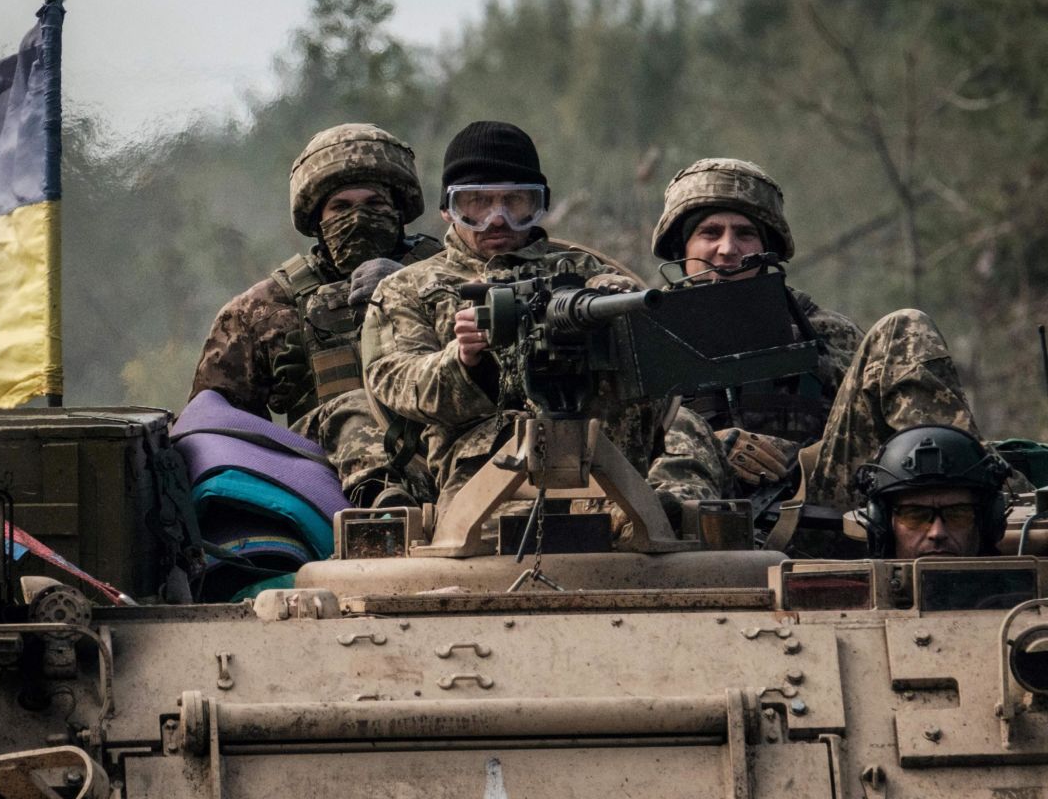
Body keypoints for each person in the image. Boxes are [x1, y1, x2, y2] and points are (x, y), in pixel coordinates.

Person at [363, 121, 725, 532]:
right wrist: (464, 362)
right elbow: (396, 382)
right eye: (477, 204)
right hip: (484, 481)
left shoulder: (587, 273)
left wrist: (608, 312)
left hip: (607, 466)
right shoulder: (408, 288)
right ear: (448, 208)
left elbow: (655, 377)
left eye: (515, 202)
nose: (496, 220)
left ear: (539, 205)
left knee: (635, 535)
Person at [650, 158, 1014, 518]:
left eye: (745, 234)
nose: (728, 249)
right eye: (710, 233)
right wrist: (711, 444)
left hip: (820, 510)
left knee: (905, 328)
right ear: (682, 249)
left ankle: (976, 503)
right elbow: (613, 450)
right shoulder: (644, 339)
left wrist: (801, 459)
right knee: (681, 424)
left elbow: (866, 436)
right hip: (705, 532)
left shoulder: (825, 332)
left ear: (767, 248)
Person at [189, 123, 441, 506]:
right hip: (322, 486)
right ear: (317, 220)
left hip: (447, 464)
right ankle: (381, 501)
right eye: (340, 207)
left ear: (398, 211)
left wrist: (411, 288)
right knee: (352, 410)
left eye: (374, 204)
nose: (358, 219)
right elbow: (215, 430)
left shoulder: (449, 276)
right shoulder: (262, 311)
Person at [854, 425, 1012, 558]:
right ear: (885, 525)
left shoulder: (1026, 593)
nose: (937, 533)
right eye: (915, 515)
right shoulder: (857, 594)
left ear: (986, 523)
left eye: (957, 514)